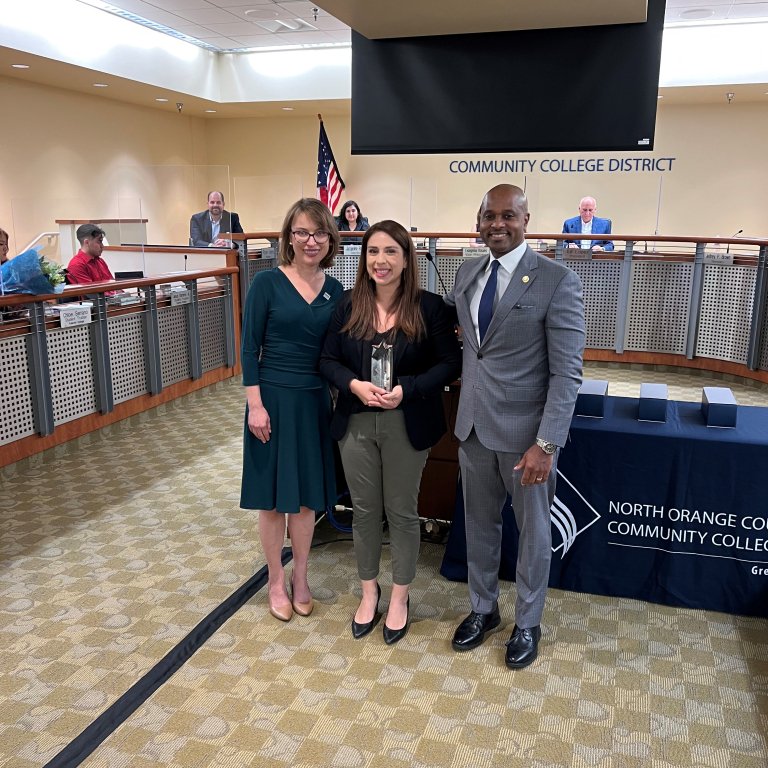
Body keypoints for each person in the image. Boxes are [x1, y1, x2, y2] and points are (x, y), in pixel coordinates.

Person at [445, 184, 585, 669]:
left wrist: (546, 443)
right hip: (473, 430)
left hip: (529, 438)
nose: (497, 225)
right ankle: (483, 609)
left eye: (508, 216)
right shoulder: (467, 271)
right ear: (478, 220)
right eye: (489, 216)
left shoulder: (555, 279)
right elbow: (471, 349)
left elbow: (568, 372)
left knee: (531, 535)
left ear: (527, 219)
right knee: (479, 527)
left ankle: (528, 622)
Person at [320, 220, 461, 644]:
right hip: (356, 421)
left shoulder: (430, 307)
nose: (380, 261)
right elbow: (327, 360)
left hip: (407, 420)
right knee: (364, 512)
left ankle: (399, 597)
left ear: (406, 258)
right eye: (372, 252)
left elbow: (450, 363)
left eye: (390, 252)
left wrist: (408, 389)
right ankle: (369, 592)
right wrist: (354, 384)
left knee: (401, 511)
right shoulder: (347, 305)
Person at [240, 198, 343, 623]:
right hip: (272, 401)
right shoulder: (266, 283)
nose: (310, 241)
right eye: (301, 232)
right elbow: (249, 348)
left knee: (303, 502)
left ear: (330, 239)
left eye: (319, 233)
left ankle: (301, 578)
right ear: (289, 237)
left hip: (313, 401)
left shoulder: (336, 290)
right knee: (272, 501)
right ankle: (275, 580)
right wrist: (255, 407)